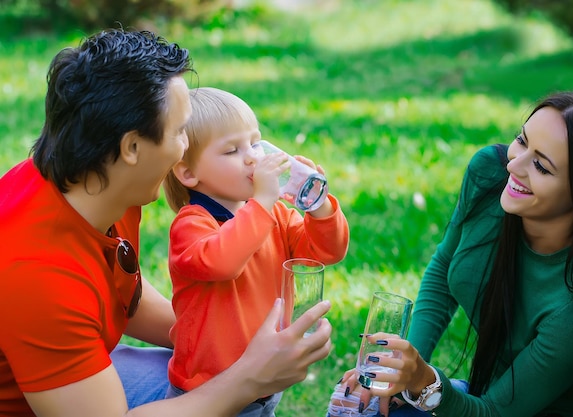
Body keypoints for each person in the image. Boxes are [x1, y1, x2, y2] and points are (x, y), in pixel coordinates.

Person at [0, 28, 333, 417]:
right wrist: (249, 376)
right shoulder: (36, 274)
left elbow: (123, 296)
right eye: (179, 132)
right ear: (132, 147)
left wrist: (220, 340)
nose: (184, 149)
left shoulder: (95, 180)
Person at [327, 90, 573, 417]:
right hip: (482, 399)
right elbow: (444, 269)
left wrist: (426, 383)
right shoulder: (489, 176)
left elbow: (494, 413)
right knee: (362, 405)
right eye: (522, 140)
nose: (515, 163)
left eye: (541, 165)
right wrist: (404, 369)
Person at [162, 86, 350, 416]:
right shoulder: (192, 224)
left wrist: (318, 208)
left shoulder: (275, 214)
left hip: (267, 377)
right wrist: (262, 201)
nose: (252, 156)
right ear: (189, 173)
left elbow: (325, 252)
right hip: (208, 387)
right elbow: (223, 262)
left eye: (254, 142)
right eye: (232, 150)